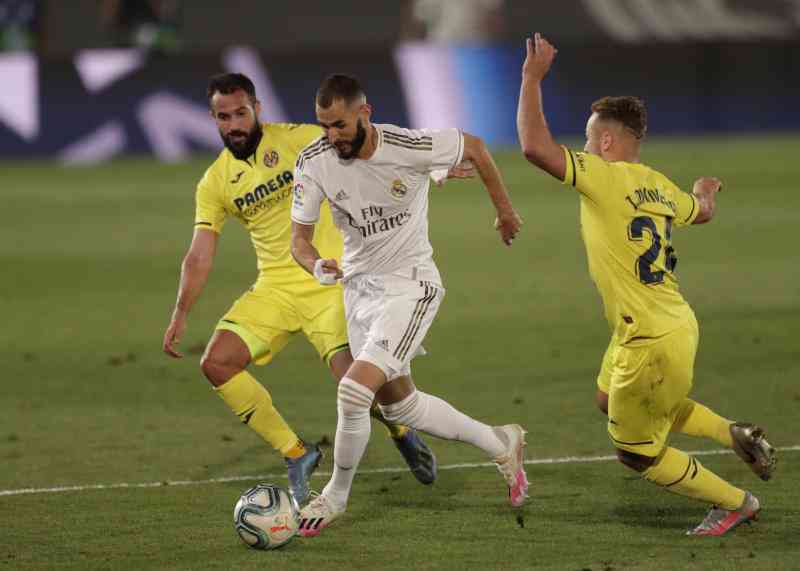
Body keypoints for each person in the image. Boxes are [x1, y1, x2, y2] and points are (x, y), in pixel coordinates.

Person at [516, 33, 777, 536]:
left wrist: (531, 78)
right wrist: (704, 190)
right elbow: (700, 213)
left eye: (591, 140)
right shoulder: (658, 184)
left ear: (608, 142)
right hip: (669, 322)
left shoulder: (603, 177)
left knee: (635, 453)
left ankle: (738, 503)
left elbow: (533, 146)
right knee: (606, 398)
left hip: (649, 341)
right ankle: (733, 432)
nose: (586, 148)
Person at [162, 72, 441, 506]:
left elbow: (371, 151)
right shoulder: (214, 182)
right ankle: (297, 453)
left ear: (257, 107)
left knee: (361, 387)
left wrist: (433, 168)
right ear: (213, 118)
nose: (234, 123)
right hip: (276, 287)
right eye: (224, 116)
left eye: (241, 112)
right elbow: (199, 255)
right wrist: (181, 312)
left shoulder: (303, 141)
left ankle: (401, 429)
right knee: (216, 362)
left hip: (330, 280)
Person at [290, 73, 528, 537]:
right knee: (400, 407)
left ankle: (335, 497)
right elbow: (298, 239)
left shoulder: (407, 144)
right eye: (323, 126)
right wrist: (315, 265)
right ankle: (501, 442)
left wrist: (505, 211)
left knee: (353, 392)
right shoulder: (314, 162)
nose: (331, 136)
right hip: (360, 292)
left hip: (411, 286)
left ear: (365, 113)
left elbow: (476, 147)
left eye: (339, 125)